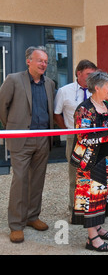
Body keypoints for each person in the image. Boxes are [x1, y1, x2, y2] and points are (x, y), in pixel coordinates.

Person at [0, 46, 56, 243]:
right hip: (21, 139)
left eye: (46, 62)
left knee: (37, 181)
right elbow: (2, 107)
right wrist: (13, 129)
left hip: (43, 139)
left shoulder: (49, 83)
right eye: (40, 60)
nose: (43, 64)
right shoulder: (13, 80)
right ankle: (16, 224)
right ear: (28, 61)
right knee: (20, 181)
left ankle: (32, 217)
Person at [70, 70, 108, 252]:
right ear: (97, 87)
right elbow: (83, 137)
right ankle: (92, 239)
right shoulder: (84, 109)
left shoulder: (104, 105)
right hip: (91, 162)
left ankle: (97, 227)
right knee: (91, 198)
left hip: (106, 159)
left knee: (102, 196)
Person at [54, 59, 97, 213]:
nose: (92, 78)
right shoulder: (64, 91)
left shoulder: (97, 90)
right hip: (75, 138)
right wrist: (66, 129)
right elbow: (56, 113)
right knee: (75, 176)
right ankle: (74, 209)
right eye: (88, 74)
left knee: (94, 175)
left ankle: (92, 208)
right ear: (79, 73)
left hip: (94, 138)